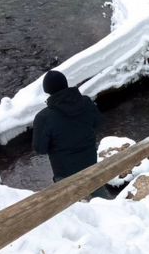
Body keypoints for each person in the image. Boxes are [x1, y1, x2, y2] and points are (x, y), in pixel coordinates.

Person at [32, 70, 109, 199]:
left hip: (65, 173)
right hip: (91, 163)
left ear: (47, 90)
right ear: (65, 83)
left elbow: (40, 149)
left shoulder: (44, 117)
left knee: (73, 209)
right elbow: (98, 122)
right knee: (100, 199)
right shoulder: (86, 102)